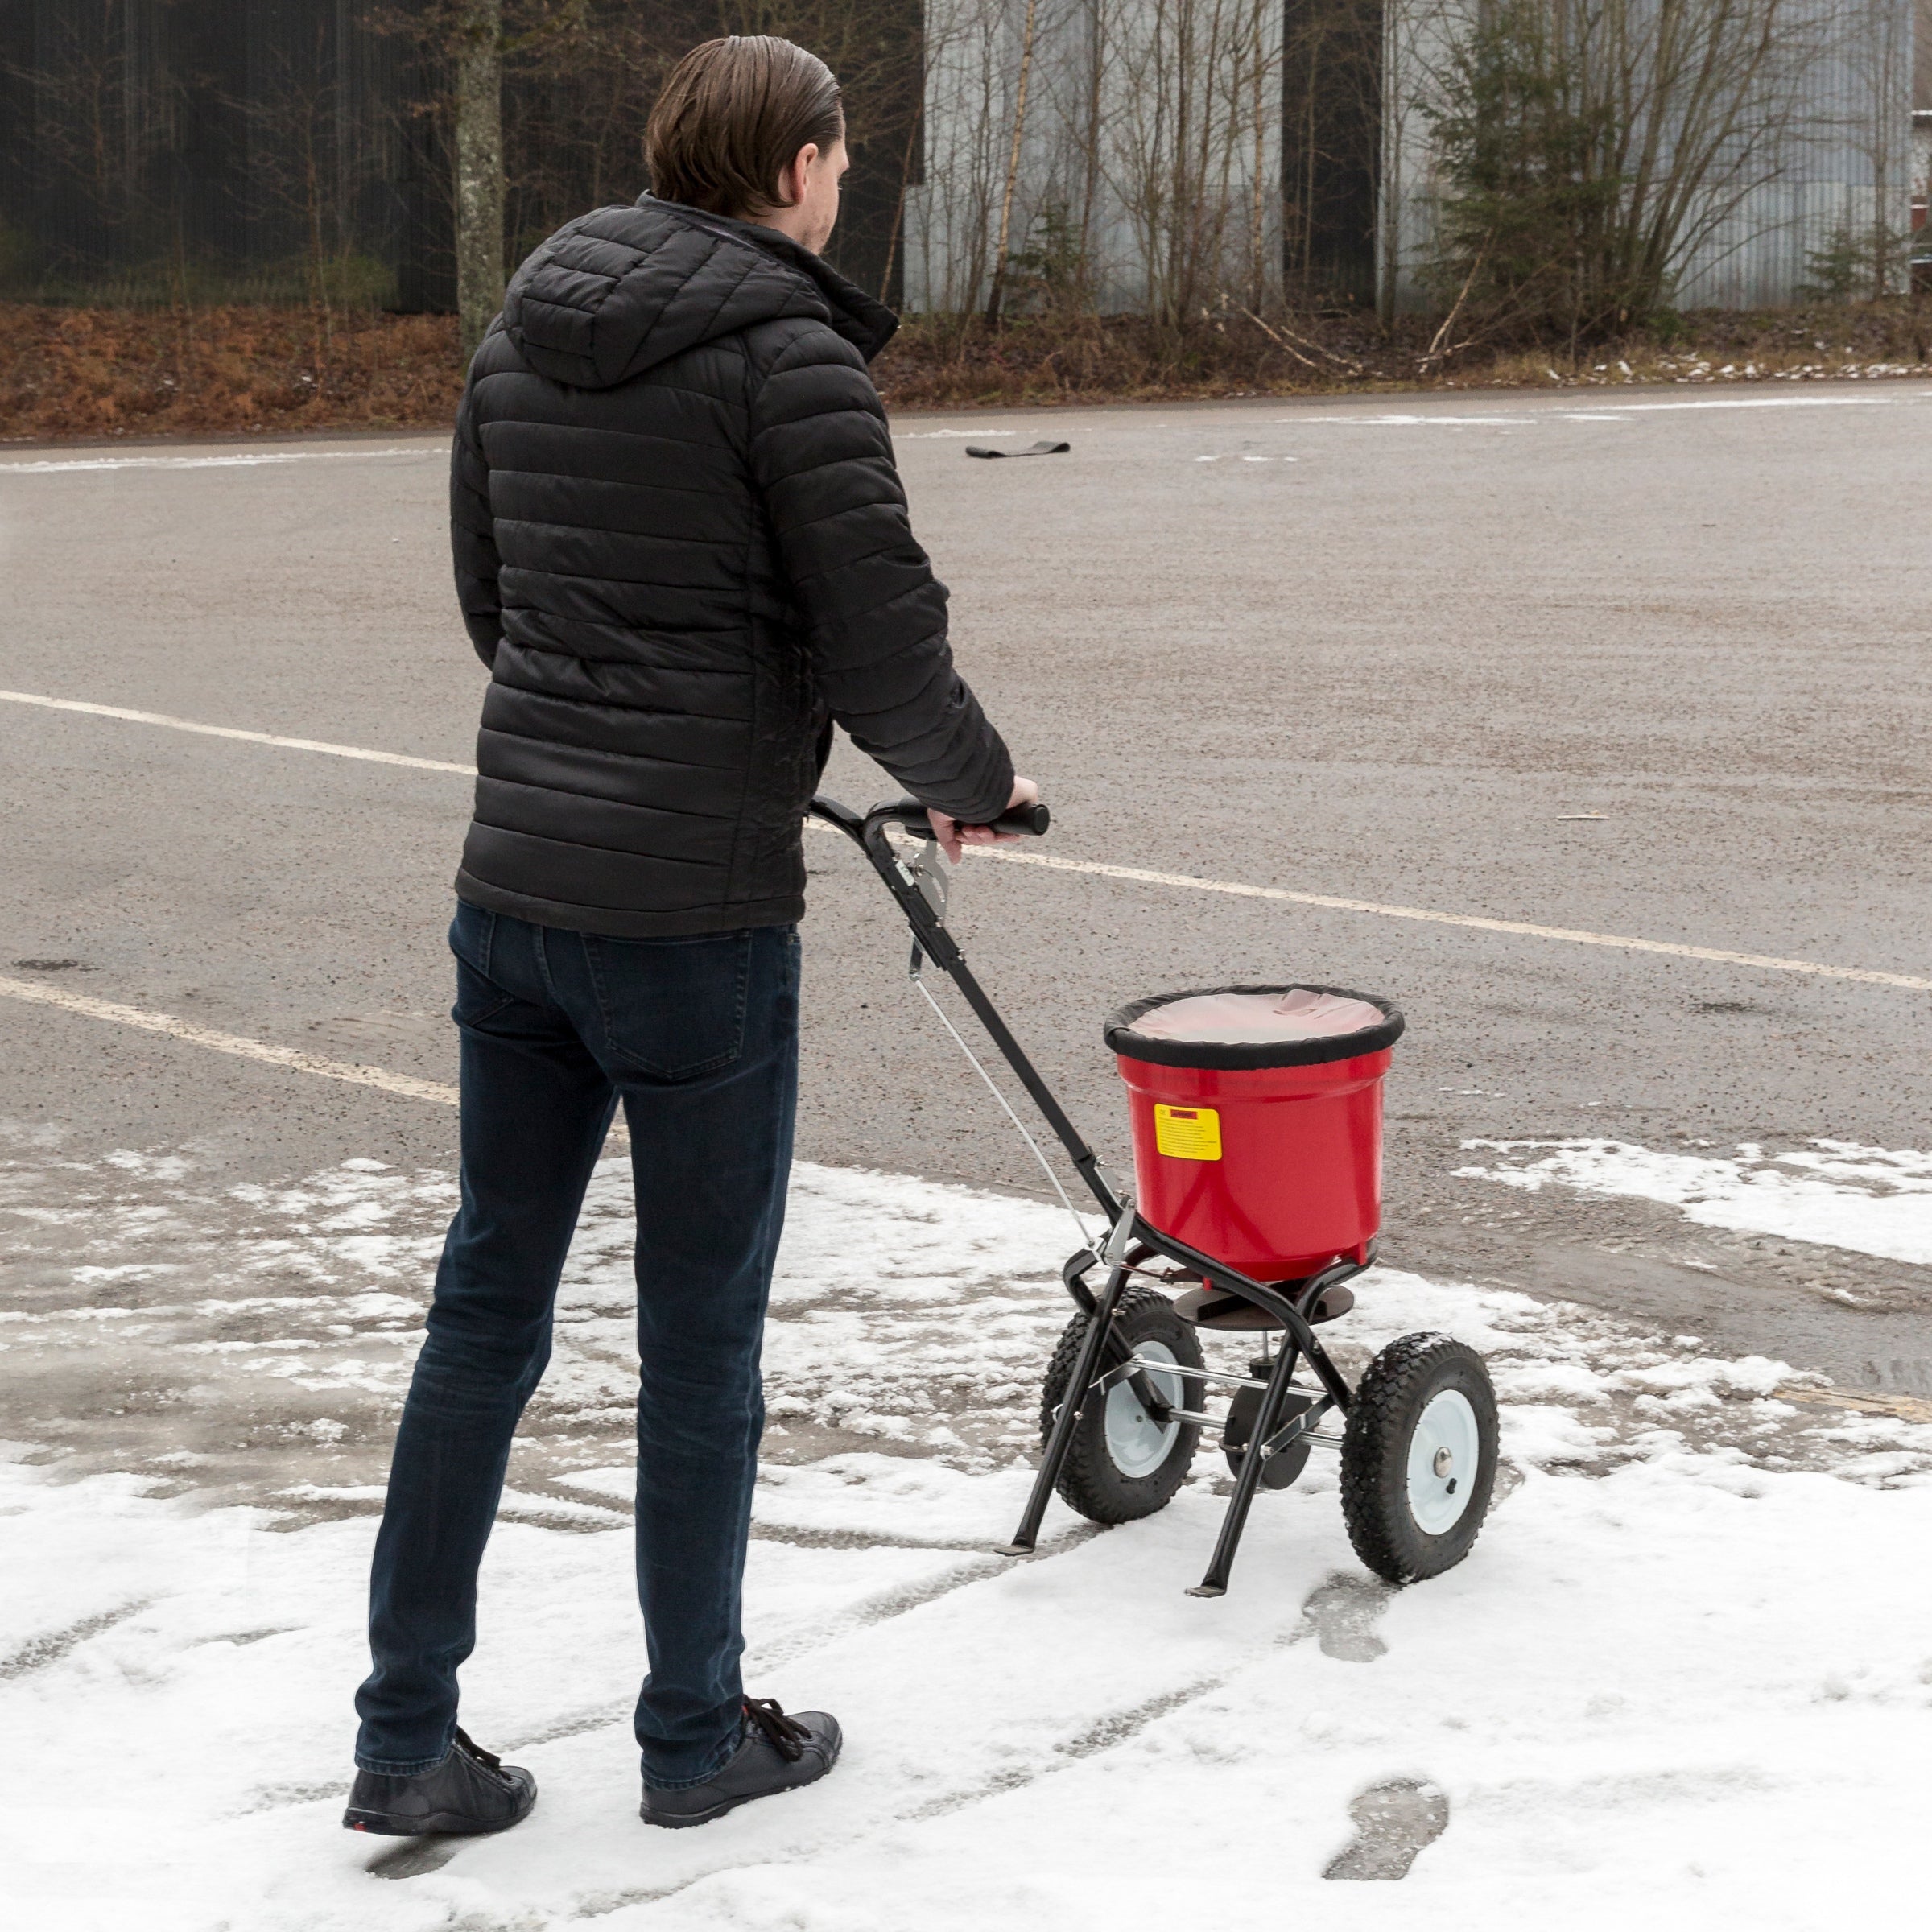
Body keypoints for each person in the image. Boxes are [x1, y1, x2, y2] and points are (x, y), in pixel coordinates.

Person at [343, 35, 1033, 1838]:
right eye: (842, 159)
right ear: (795, 166)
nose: (845, 185)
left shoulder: (525, 324)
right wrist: (975, 783)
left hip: (517, 896)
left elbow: (497, 599)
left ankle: (404, 1739)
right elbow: (882, 635)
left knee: (484, 1306)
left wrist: (602, 734)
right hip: (692, 923)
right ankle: (694, 1733)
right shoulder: (791, 354)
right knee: (700, 1341)